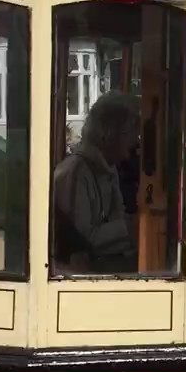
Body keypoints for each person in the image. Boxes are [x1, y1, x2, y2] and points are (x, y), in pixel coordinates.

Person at [52, 91, 140, 274]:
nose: (135, 139)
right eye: (130, 131)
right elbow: (82, 240)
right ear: (109, 133)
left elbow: (117, 218)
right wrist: (133, 228)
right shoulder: (75, 173)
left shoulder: (108, 167)